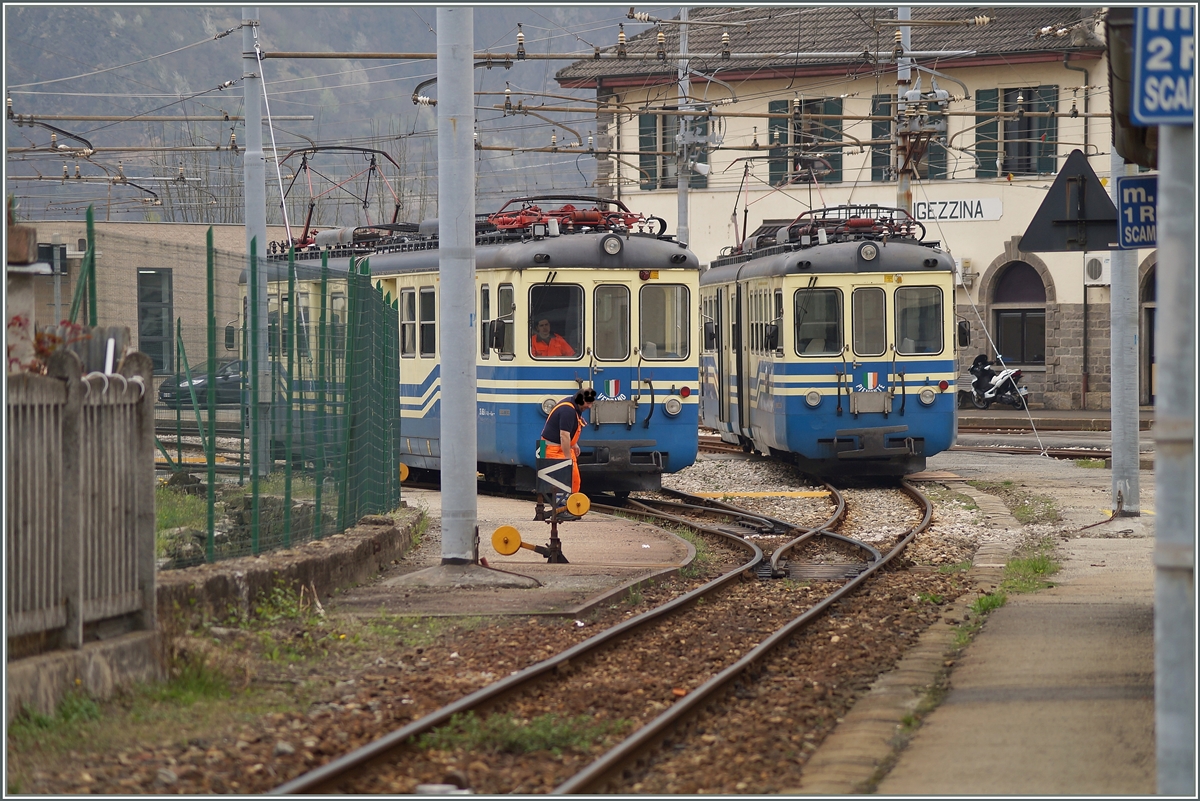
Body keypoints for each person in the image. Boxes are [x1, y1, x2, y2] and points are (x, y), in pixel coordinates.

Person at [538, 388, 596, 519]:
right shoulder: (568, 410)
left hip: (560, 447)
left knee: (573, 479)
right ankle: (560, 510)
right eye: (588, 403)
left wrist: (573, 443)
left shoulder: (574, 406)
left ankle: (570, 507)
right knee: (563, 478)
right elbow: (564, 435)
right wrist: (567, 460)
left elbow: (569, 430)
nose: (589, 406)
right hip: (552, 449)